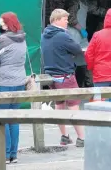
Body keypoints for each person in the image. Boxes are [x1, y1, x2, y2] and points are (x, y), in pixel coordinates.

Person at [0, 12, 27, 164]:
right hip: (20, 81)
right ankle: (13, 154)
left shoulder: (3, 39)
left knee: (2, 118)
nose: (0, 24)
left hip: (4, 82)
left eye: (2, 22)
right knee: (13, 119)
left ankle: (3, 154)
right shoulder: (22, 38)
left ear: (6, 24)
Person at [41, 8, 85, 147]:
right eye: (65, 19)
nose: (67, 22)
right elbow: (77, 49)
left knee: (59, 105)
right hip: (66, 75)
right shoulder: (62, 35)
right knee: (73, 106)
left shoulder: (44, 35)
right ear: (57, 20)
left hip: (51, 76)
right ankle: (82, 138)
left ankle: (64, 136)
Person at [65, 0, 106, 87]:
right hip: (73, 33)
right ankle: (73, 85)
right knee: (73, 59)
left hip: (81, 34)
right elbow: (70, 17)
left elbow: (93, 9)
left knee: (85, 59)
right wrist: (81, 29)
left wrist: (109, 12)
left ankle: (84, 84)